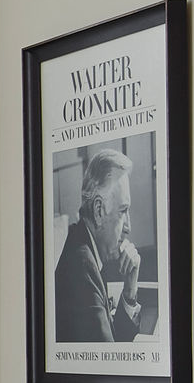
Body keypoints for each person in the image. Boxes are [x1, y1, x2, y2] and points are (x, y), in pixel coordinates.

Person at [55, 146, 143, 344]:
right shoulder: (82, 267)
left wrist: (129, 291)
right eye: (123, 211)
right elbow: (110, 363)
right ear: (98, 211)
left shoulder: (83, 249)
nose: (129, 227)